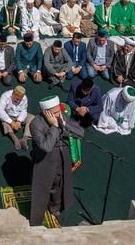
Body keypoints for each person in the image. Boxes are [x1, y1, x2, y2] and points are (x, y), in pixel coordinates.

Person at [29, 95, 84, 227]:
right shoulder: (35, 124)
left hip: (62, 158)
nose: (58, 115)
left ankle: (55, 207)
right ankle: (36, 220)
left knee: (59, 185)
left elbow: (80, 133)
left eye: (58, 111)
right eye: (54, 113)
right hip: (45, 162)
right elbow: (46, 147)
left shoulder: (61, 116)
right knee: (42, 190)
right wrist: (54, 126)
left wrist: (64, 124)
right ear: (45, 112)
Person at [0, 86, 32, 150]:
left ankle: (24, 139)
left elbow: (24, 110)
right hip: (8, 116)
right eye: (17, 98)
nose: (18, 101)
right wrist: (11, 122)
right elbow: (0, 111)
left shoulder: (24, 98)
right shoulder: (5, 96)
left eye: (20, 99)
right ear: (13, 93)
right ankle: (15, 140)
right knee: (4, 121)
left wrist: (19, 121)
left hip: (19, 116)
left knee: (32, 118)